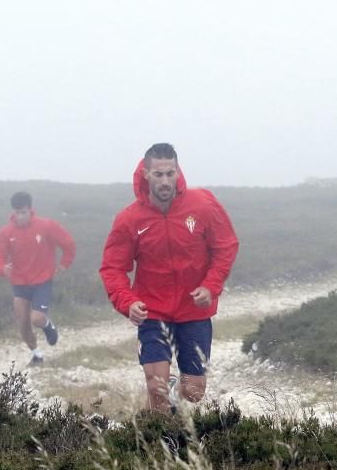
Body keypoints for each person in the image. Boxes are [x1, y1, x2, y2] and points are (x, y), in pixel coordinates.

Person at [100, 143, 239, 413]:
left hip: (194, 312)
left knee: (194, 392)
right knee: (156, 387)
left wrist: (211, 286)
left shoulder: (202, 204)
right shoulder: (129, 219)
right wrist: (127, 302)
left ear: (177, 172)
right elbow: (112, 268)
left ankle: (177, 388)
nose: (165, 181)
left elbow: (226, 246)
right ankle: (161, 442)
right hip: (152, 312)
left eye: (170, 173)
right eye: (158, 174)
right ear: (145, 174)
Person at [0, 191, 76, 366]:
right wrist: (1, 268)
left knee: (36, 319)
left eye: (23, 212)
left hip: (42, 281)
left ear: (30, 210)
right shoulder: (6, 232)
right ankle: (37, 355)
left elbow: (68, 243)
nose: (20, 216)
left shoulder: (46, 226)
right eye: (17, 213)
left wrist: (65, 263)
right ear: (13, 212)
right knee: (23, 324)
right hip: (19, 283)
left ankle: (48, 325)